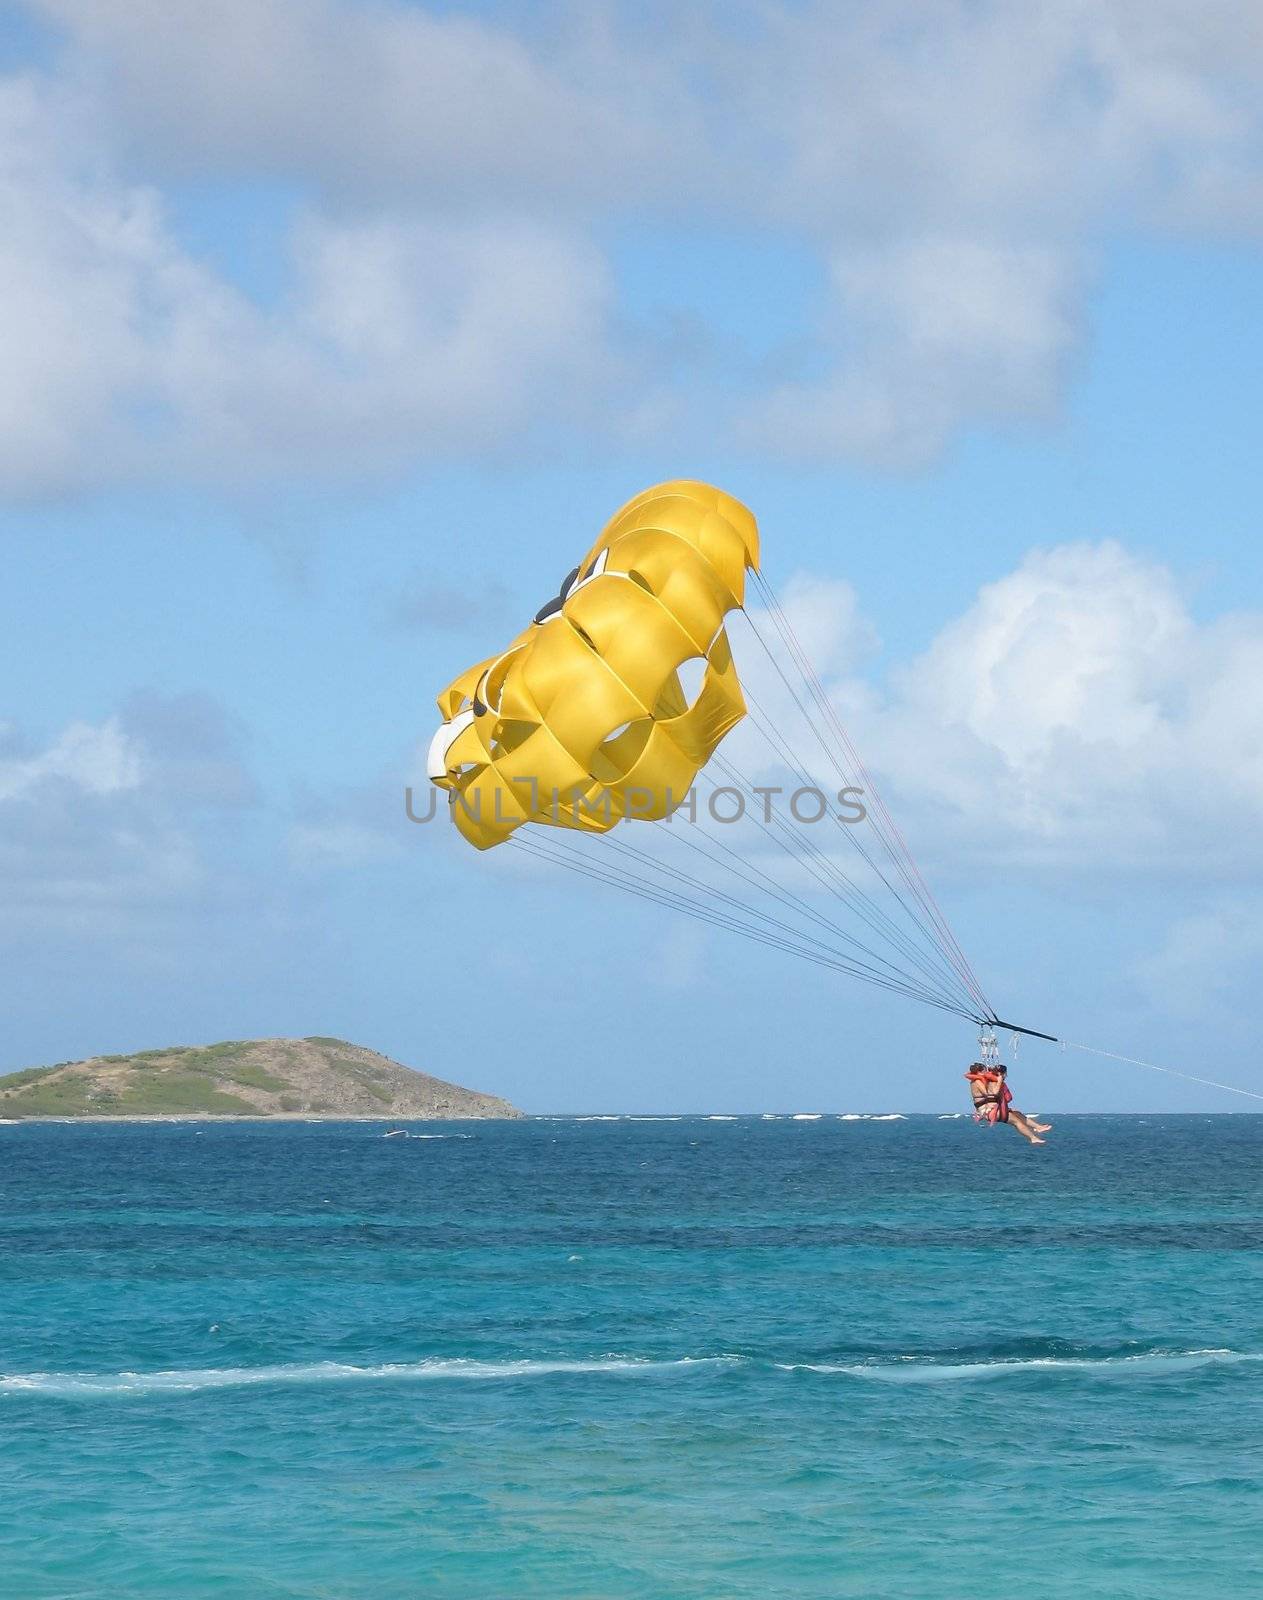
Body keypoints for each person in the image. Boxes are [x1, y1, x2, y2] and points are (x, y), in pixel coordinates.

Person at [964, 1063, 1052, 1145]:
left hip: (990, 1110)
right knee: (1017, 1122)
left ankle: (1038, 1127)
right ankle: (1033, 1138)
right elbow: (993, 1093)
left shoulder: (983, 1080)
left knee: (1017, 1113)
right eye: (984, 1071)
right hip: (990, 1112)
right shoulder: (980, 1081)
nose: (985, 1073)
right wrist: (999, 1081)